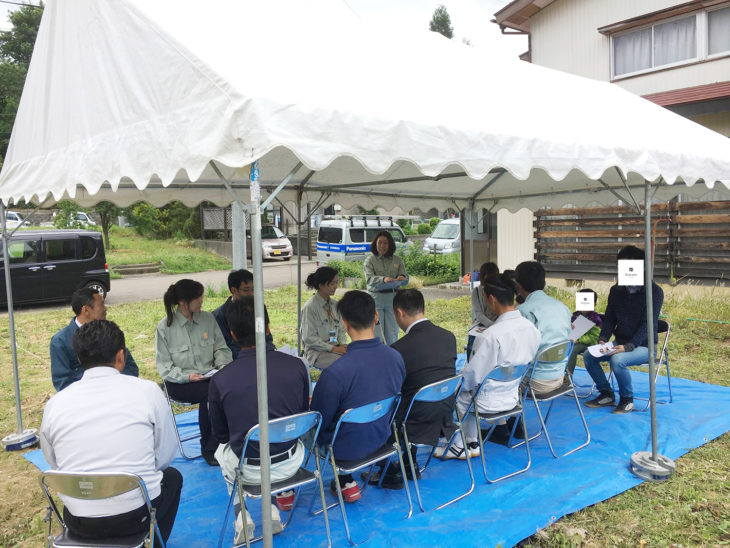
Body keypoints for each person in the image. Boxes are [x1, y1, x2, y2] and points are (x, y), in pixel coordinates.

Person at [40, 320, 182, 543]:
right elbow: (165, 455)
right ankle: (152, 543)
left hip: (79, 519)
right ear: (120, 356)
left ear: (79, 358)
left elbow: (54, 463)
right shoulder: (147, 391)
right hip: (136, 516)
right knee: (172, 477)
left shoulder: (55, 404)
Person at [208, 297, 309, 544]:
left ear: (231, 334)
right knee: (270, 435)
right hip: (291, 461)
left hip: (250, 469)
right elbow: (302, 413)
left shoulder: (221, 380)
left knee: (224, 452)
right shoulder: (297, 367)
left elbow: (221, 436)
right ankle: (271, 508)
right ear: (268, 328)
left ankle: (241, 515)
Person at [310, 290, 406, 502]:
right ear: (376, 317)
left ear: (344, 324)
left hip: (346, 450)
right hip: (382, 439)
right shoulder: (396, 357)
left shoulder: (336, 372)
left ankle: (342, 480)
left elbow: (319, 421)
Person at [436, 275, 540, 458]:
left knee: (458, 391)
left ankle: (460, 444)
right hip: (513, 397)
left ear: (491, 299)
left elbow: (472, 376)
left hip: (487, 402)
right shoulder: (532, 329)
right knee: (469, 388)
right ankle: (473, 443)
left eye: (485, 298)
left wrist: (455, 383)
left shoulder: (490, 335)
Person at [377, 288, 456, 488]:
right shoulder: (449, 337)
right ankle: (408, 460)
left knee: (378, 409)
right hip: (445, 415)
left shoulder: (398, 350)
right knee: (414, 394)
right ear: (423, 308)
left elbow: (391, 391)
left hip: (413, 421)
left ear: (399, 313)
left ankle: (389, 470)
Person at [155, 279, 232, 466]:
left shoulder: (207, 319)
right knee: (211, 395)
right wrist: (186, 377)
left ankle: (231, 439)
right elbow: (164, 367)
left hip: (210, 376)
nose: (201, 301)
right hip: (180, 383)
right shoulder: (165, 327)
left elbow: (222, 349)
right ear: (182, 301)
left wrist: (222, 367)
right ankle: (210, 448)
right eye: (197, 298)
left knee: (230, 388)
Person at [584, 246, 664, 414]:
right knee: (589, 355)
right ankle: (606, 394)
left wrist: (629, 346)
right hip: (619, 341)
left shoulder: (654, 292)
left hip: (644, 346)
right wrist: (603, 338)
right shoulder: (616, 290)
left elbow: (647, 325)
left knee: (617, 360)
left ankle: (627, 399)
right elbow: (610, 317)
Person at [50, 287, 138, 391]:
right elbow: (62, 382)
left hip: (117, 392)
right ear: (86, 310)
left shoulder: (109, 332)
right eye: (101, 304)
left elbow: (131, 368)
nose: (105, 308)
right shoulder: (60, 342)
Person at [514, 261, 572, 395]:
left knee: (490, 378)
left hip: (534, 382)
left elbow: (517, 352)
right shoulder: (562, 307)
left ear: (518, 285)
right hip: (559, 377)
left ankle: (510, 415)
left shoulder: (524, 311)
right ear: (544, 283)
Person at [213, 269, 274, 358]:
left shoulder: (258, 309)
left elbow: (267, 337)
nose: (251, 294)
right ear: (234, 290)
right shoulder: (219, 315)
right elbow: (224, 347)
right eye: (246, 290)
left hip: (263, 357)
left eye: (253, 289)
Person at [363, 230, 407, 345]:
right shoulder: (370, 260)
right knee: (377, 332)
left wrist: (402, 277)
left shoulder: (398, 260)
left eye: (385, 243)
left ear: (390, 245)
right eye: (379, 243)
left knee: (392, 332)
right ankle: (379, 357)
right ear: (375, 244)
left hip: (393, 299)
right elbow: (369, 279)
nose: (382, 246)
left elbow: (405, 278)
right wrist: (383, 279)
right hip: (375, 299)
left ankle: (392, 356)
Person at [301, 266, 348, 369]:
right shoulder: (310, 307)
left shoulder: (335, 305)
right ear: (320, 285)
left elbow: (341, 330)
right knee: (344, 365)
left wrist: (343, 345)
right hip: (317, 353)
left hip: (336, 349)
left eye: (337, 282)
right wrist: (334, 349)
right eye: (332, 283)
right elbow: (309, 339)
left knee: (357, 358)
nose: (336, 286)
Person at [566, 288, 603, 375]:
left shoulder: (596, 319)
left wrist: (579, 340)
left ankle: (568, 375)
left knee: (572, 349)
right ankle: (555, 372)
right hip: (574, 340)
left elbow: (593, 337)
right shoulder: (575, 315)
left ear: (594, 304)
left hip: (589, 343)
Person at [468, 262, 500, 359]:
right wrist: (492, 326)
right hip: (480, 326)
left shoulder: (500, 290)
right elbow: (479, 314)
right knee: (473, 350)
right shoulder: (476, 291)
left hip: (498, 325)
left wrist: (496, 326)